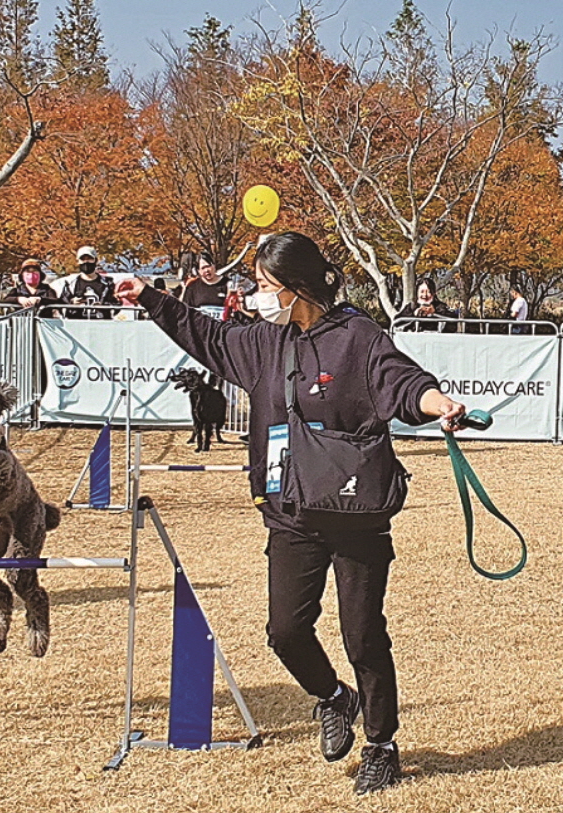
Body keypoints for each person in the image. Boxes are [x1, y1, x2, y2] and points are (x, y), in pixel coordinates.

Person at [116, 231, 467, 796]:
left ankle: (382, 744)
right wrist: (151, 298)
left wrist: (440, 405)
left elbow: (403, 384)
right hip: (288, 512)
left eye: (263, 286)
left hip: (355, 512)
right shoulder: (261, 343)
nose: (256, 296)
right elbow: (204, 335)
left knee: (363, 635)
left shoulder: (358, 337)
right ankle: (334, 698)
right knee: (285, 631)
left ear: (297, 288)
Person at [59, 245, 117, 319]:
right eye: (83, 259)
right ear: (78, 262)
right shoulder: (70, 284)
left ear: (96, 260)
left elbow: (116, 305)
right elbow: (61, 304)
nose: (86, 262)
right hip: (75, 325)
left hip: (102, 326)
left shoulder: (108, 284)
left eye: (89, 258)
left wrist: (103, 306)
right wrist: (72, 302)